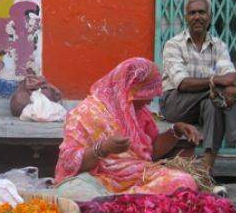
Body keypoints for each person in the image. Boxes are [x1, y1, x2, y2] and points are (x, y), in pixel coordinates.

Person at [54, 57, 201, 201]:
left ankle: (118, 204)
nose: (150, 101)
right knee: (74, 192)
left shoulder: (139, 112)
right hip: (100, 181)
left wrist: (176, 130)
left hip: (139, 177)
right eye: (148, 94)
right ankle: (123, 203)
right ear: (131, 90)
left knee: (185, 181)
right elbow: (68, 161)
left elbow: (151, 151)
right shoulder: (86, 113)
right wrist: (103, 149)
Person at [160, 0, 236, 175]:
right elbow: (182, 83)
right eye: (192, 13)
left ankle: (206, 166)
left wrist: (232, 85)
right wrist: (217, 80)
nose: (197, 17)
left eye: (201, 12)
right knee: (220, 92)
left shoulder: (219, 46)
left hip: (204, 105)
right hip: (175, 104)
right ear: (186, 17)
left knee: (214, 103)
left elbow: (231, 76)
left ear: (209, 17)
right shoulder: (173, 45)